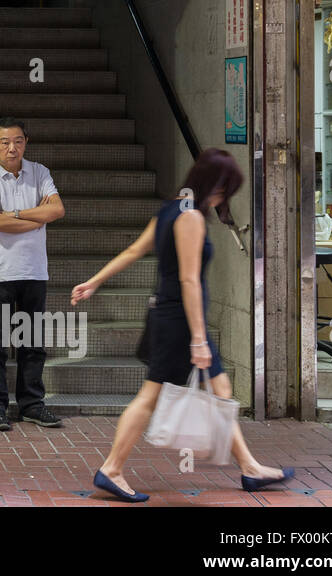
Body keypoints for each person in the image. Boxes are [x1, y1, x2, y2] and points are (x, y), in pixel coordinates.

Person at [72, 148, 293, 502]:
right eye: (224, 191)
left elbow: (134, 251)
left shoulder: (170, 209)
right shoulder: (190, 218)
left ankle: (250, 468)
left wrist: (94, 282)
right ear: (212, 185)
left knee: (220, 392)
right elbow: (190, 281)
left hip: (174, 317)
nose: (223, 198)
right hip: (180, 322)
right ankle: (111, 469)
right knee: (150, 396)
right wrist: (199, 340)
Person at [0, 117, 66, 431]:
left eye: (17, 141)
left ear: (26, 142)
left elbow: (56, 210)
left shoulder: (39, 172)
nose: (11, 148)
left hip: (33, 272)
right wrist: (35, 219)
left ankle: (31, 405)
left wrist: (14, 214)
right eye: (4, 142)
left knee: (33, 344)